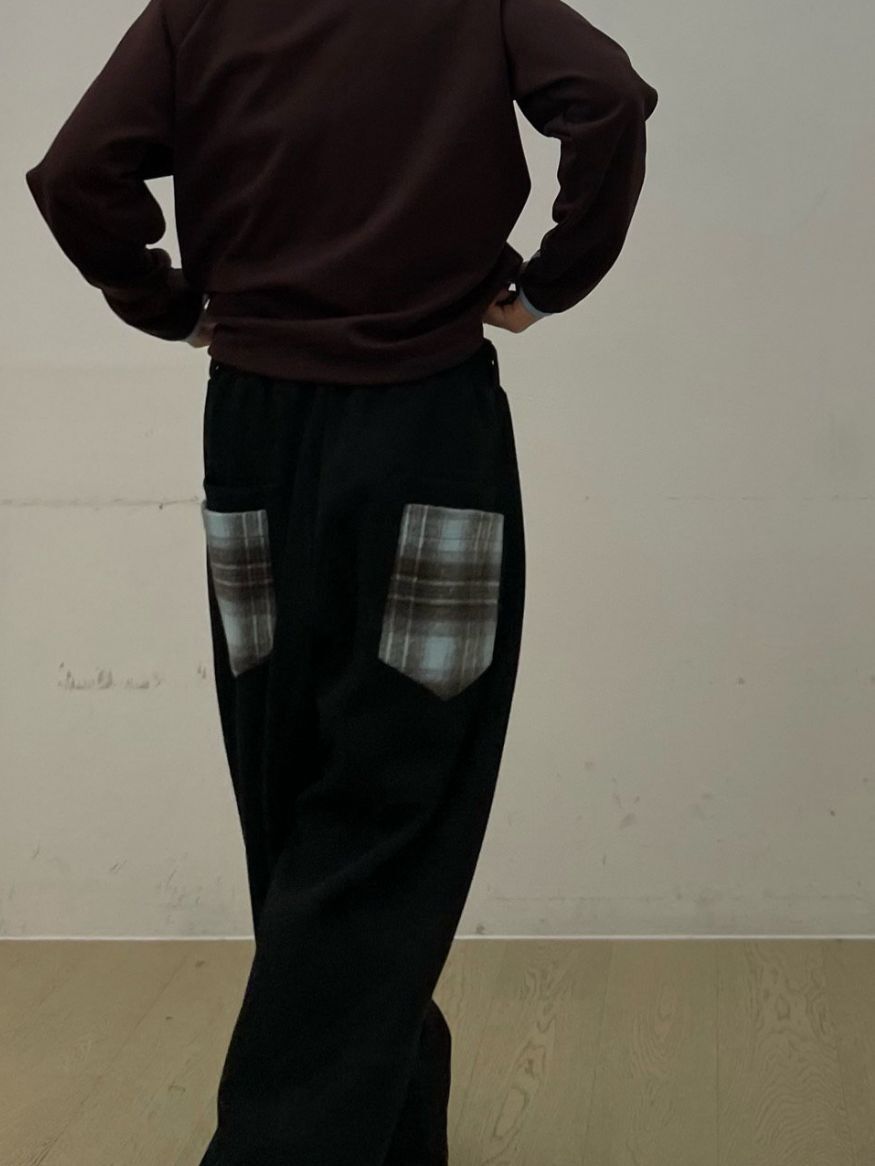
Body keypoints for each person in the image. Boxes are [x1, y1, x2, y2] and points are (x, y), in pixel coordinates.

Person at [24, 0, 657, 1162]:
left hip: (252, 437)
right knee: (397, 795)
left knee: (293, 772)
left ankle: (391, 1129)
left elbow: (76, 175)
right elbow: (605, 98)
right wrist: (549, 282)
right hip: (428, 430)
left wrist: (169, 304)